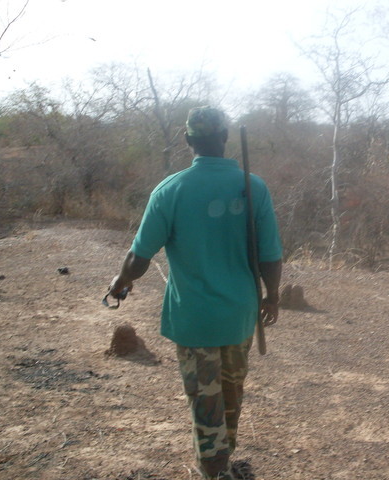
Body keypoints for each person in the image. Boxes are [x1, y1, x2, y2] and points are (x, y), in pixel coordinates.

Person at [107, 106, 283, 480]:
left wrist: (121, 281)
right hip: (239, 314)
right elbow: (270, 254)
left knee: (206, 400)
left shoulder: (170, 189)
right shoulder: (254, 186)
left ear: (188, 140)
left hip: (194, 318)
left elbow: (139, 257)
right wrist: (273, 296)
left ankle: (214, 469)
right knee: (232, 393)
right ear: (224, 137)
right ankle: (223, 463)